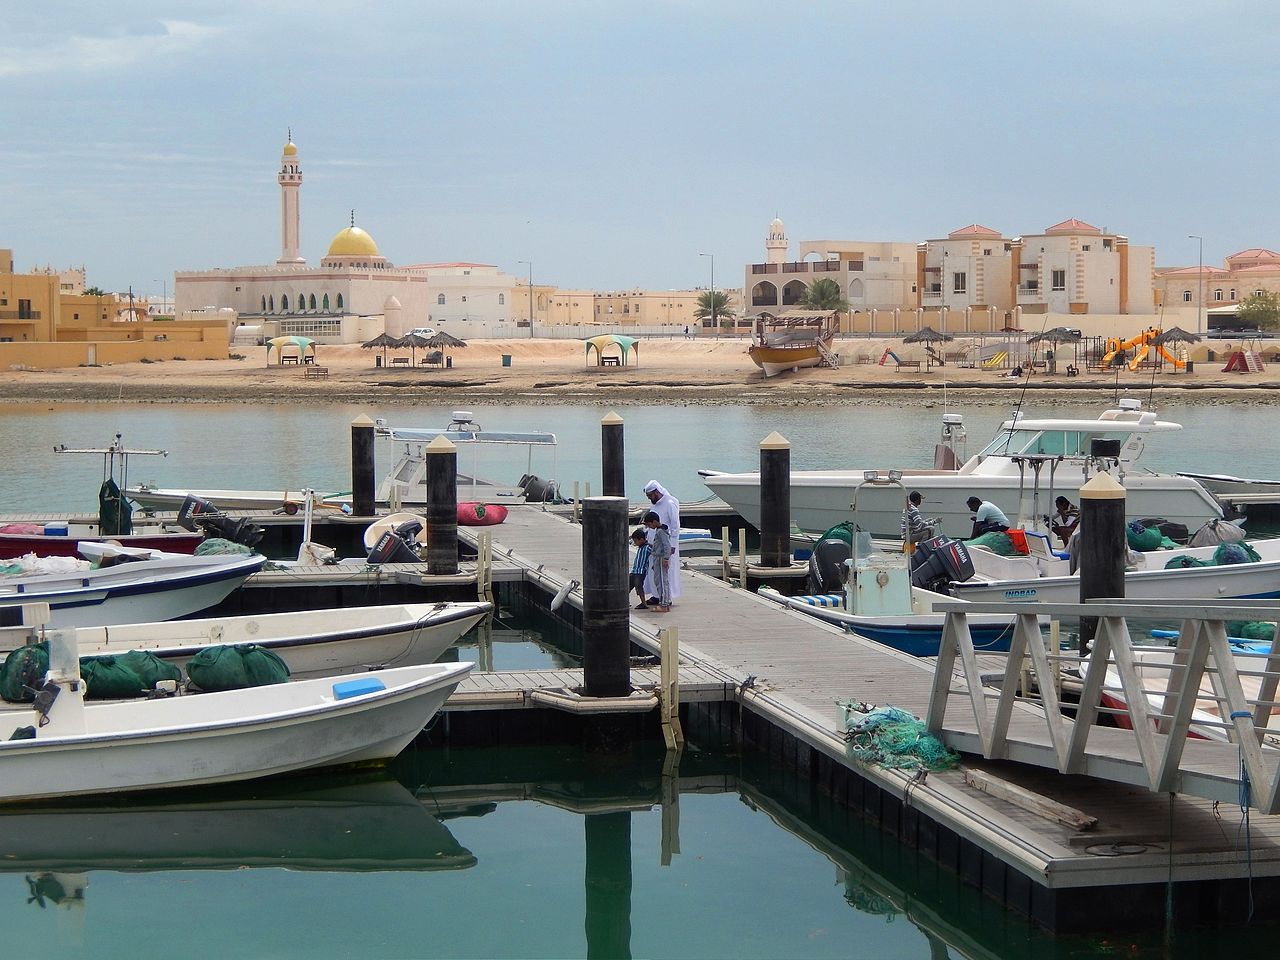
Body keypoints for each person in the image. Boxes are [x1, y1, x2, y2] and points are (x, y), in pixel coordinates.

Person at [642, 480, 681, 604]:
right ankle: (656, 595)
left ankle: (666, 598)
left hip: (666, 545)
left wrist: (673, 545)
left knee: (665, 572)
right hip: (654, 545)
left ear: (656, 492)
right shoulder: (655, 504)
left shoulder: (670, 503)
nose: (649, 499)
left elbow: (675, 526)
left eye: (650, 496)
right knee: (654, 572)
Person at [643, 510, 673, 612]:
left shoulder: (660, 532)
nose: (649, 526)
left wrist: (665, 558)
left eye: (649, 524)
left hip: (660, 558)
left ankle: (663, 604)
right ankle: (666, 601)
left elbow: (667, 546)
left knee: (661, 581)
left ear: (654, 522)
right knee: (662, 580)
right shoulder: (660, 530)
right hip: (658, 558)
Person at [629, 527, 651, 610]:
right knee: (628, 586)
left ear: (641, 539)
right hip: (634, 570)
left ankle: (643, 603)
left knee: (639, 587)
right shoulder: (640, 547)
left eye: (635, 541)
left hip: (641, 571)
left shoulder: (647, 547)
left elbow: (654, 552)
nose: (635, 543)